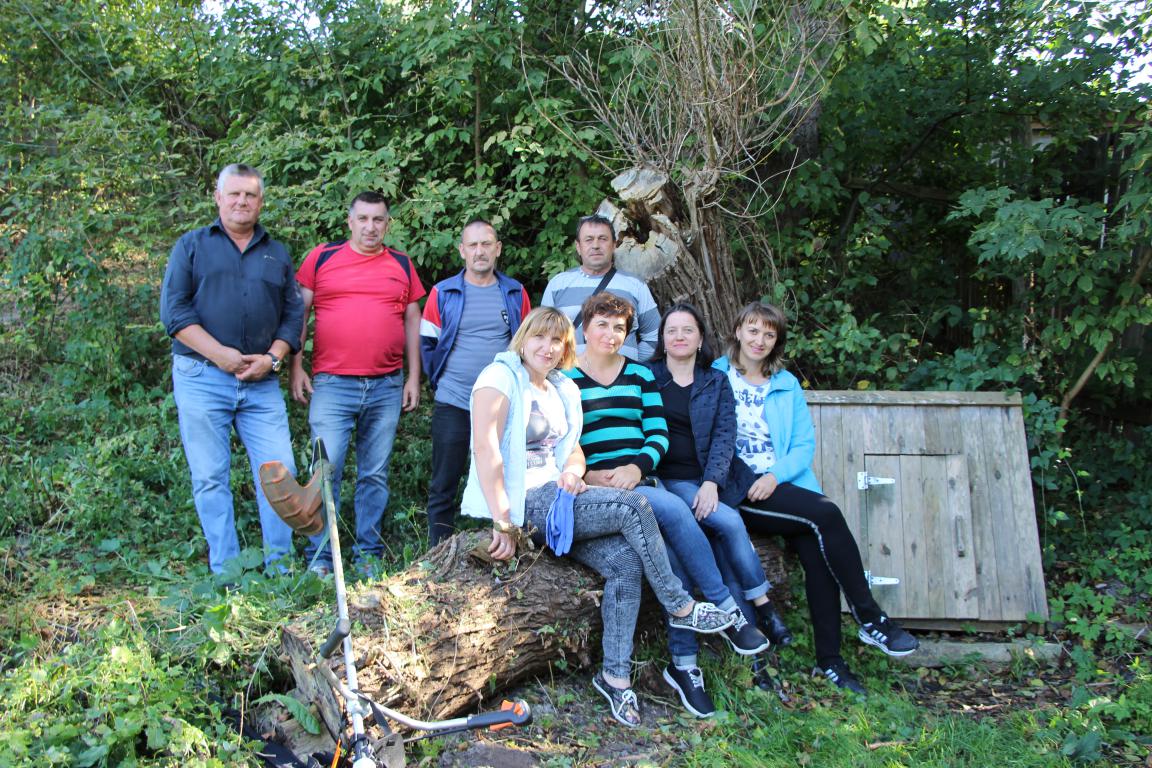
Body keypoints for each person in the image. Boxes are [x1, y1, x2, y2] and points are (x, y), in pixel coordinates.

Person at [462, 307, 735, 728]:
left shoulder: (559, 387)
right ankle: (680, 605)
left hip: (563, 499)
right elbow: (486, 449)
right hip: (526, 503)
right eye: (539, 338)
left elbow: (573, 448)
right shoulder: (499, 378)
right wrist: (503, 520)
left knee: (625, 563)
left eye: (557, 341)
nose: (547, 348)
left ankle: (615, 677)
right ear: (523, 338)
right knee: (635, 505)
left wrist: (573, 472)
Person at [715, 301, 919, 695]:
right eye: (753, 331)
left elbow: (803, 445)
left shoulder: (786, 384)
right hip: (741, 489)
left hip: (783, 485)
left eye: (769, 334)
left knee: (819, 553)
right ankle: (870, 617)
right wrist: (754, 479)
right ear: (738, 331)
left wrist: (775, 476)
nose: (759, 340)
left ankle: (831, 662)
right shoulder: (716, 376)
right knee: (826, 514)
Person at [565, 294, 771, 670]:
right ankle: (729, 611)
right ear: (585, 329)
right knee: (676, 508)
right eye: (601, 325)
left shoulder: (641, 375)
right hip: (593, 485)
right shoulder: (565, 379)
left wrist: (636, 469)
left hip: (639, 480)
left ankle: (687, 662)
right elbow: (563, 437)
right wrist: (587, 473)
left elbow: (658, 434)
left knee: (673, 552)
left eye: (619, 327)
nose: (610, 334)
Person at [647, 302, 794, 717]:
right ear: (662, 339)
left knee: (727, 528)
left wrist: (711, 482)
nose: (679, 336)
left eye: (687, 330)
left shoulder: (715, 380)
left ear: (700, 338)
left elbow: (726, 436)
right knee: (684, 557)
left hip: (710, 481)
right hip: (665, 483)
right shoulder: (647, 377)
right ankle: (694, 657)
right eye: (672, 330)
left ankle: (755, 633)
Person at [160, 163, 303, 575]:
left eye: (250, 195)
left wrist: (272, 358)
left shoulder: (277, 253)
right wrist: (219, 354)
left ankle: (281, 570)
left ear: (261, 201)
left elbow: (293, 314)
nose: (242, 201)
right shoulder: (191, 246)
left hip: (261, 382)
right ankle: (227, 572)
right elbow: (174, 312)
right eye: (234, 194)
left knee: (279, 473)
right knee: (210, 476)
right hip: (202, 376)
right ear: (218, 197)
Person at [289, 191, 426, 575]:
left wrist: (413, 377)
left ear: (387, 224)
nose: (370, 227)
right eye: (363, 219)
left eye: (378, 219)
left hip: (386, 385)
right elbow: (299, 313)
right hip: (332, 385)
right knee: (324, 470)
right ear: (349, 221)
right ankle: (321, 556)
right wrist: (296, 367)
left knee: (374, 474)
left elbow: (413, 320)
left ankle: (368, 554)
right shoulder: (322, 257)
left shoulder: (401, 263)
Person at [420, 219, 532, 546]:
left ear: (498, 249)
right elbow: (427, 343)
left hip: (502, 406)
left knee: (506, 475)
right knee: (444, 481)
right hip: (454, 401)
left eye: (486, 244)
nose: (480, 251)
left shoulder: (514, 292)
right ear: (462, 251)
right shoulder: (443, 293)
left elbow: (526, 344)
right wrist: (441, 381)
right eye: (473, 245)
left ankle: (502, 545)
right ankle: (438, 551)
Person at [540, 214, 659, 361]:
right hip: (569, 374)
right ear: (578, 246)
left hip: (622, 375)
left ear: (614, 245)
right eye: (589, 239)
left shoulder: (635, 285)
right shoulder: (557, 285)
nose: (595, 245)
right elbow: (543, 335)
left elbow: (655, 338)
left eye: (602, 239)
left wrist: (629, 364)